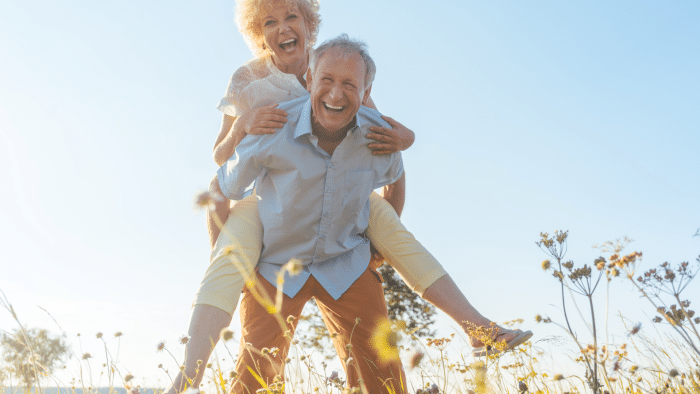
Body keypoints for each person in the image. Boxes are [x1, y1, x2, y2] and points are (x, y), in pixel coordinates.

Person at [164, 1, 531, 392]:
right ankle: (191, 370)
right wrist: (242, 128)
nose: (283, 27)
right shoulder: (255, 89)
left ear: (309, 25)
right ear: (258, 32)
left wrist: (405, 142)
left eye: (292, 16)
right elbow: (222, 166)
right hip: (276, 217)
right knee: (254, 360)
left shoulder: (336, 72)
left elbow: (385, 140)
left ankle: (476, 327)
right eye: (270, 21)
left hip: (342, 234)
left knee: (394, 245)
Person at [218, 36, 408, 392]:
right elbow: (221, 186)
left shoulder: (377, 135)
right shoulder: (274, 126)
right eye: (327, 80)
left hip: (346, 261)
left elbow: (395, 176)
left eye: (350, 84)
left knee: (383, 377)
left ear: (366, 93)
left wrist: (378, 251)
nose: (336, 94)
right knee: (254, 378)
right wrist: (231, 268)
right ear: (309, 82)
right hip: (276, 264)